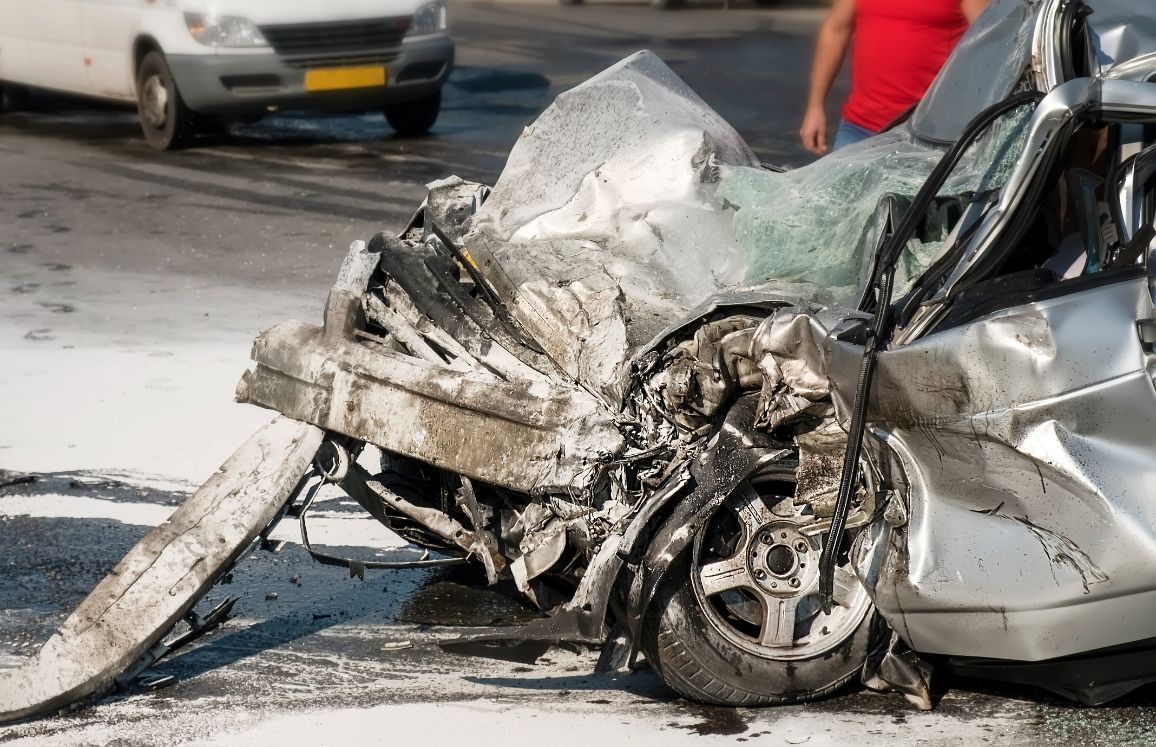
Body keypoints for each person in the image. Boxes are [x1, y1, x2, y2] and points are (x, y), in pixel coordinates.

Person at [799, 0, 990, 155]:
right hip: (859, 128)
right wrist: (815, 106)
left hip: (927, 137)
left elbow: (993, 39)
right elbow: (835, 30)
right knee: (842, 201)